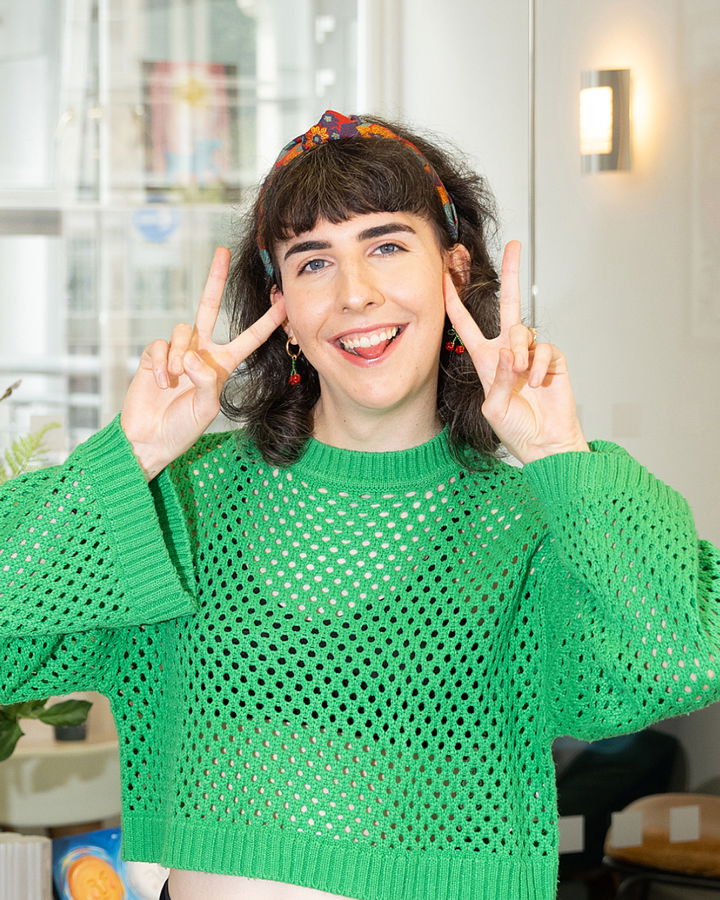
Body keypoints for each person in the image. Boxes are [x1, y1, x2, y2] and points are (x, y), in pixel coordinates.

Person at [1, 110, 719, 900]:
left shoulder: (533, 520)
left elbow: (674, 666)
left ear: (454, 270)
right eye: (312, 263)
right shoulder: (184, 497)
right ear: (283, 310)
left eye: (385, 245)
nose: (355, 294)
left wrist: (559, 456)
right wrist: (132, 453)